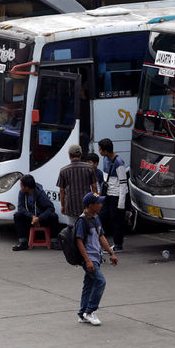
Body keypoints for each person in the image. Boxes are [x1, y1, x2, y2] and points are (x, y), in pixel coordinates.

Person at [76, 192, 118, 326]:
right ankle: (90, 312)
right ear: (90, 205)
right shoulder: (82, 221)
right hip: (89, 258)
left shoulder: (96, 218)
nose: (101, 204)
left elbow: (101, 237)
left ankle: (82, 314)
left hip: (96, 257)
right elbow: (79, 241)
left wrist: (111, 252)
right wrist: (87, 260)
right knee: (100, 282)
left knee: (89, 285)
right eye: (98, 202)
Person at [12, 174, 59, 251]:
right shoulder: (22, 193)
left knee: (54, 216)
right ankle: (23, 242)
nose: (20, 186)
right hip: (30, 217)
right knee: (17, 215)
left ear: (27, 187)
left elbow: (50, 208)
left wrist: (39, 218)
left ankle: (54, 242)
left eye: (21, 185)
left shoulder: (40, 193)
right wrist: (32, 217)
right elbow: (21, 208)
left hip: (41, 218)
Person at [99, 138, 128, 252]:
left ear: (106, 151)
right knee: (104, 217)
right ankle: (109, 243)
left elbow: (123, 183)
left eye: (100, 149)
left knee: (117, 220)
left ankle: (118, 245)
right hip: (108, 194)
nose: (99, 151)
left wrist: (121, 202)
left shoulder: (119, 163)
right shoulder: (105, 159)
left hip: (116, 195)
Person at [56, 144, 97, 225]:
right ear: (81, 155)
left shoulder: (63, 170)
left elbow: (62, 191)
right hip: (87, 206)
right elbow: (94, 187)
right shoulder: (89, 168)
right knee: (87, 229)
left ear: (69, 155)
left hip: (71, 206)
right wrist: (95, 201)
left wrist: (63, 206)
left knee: (73, 230)